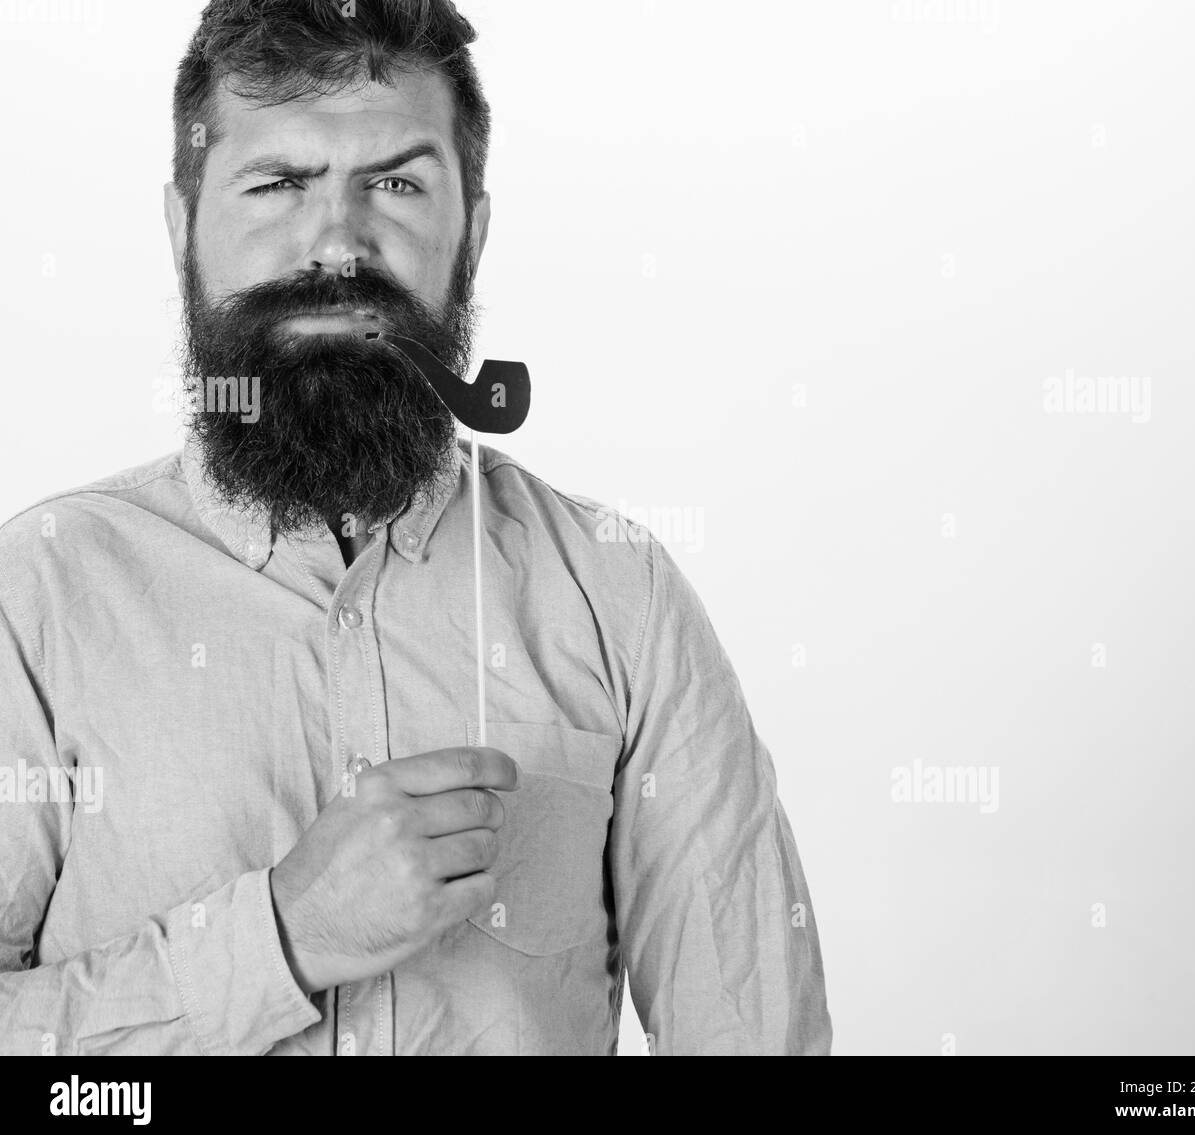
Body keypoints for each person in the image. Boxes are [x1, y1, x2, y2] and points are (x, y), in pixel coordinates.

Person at [0, 0, 831, 1055]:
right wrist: (282, 938)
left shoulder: (622, 597)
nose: (337, 242)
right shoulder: (35, 599)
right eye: (278, 183)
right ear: (182, 225)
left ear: (472, 229)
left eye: (394, 182)